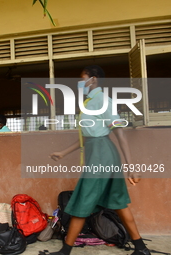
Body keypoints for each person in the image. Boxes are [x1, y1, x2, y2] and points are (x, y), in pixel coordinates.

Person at [39, 65, 150, 255]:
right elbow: (86, 136)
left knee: (83, 200)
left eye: (83, 79)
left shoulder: (103, 100)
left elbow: (120, 134)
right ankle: (141, 248)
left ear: (94, 79)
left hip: (102, 154)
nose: (80, 83)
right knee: (118, 203)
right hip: (99, 152)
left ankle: (65, 251)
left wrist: (131, 167)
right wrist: (63, 152)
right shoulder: (90, 102)